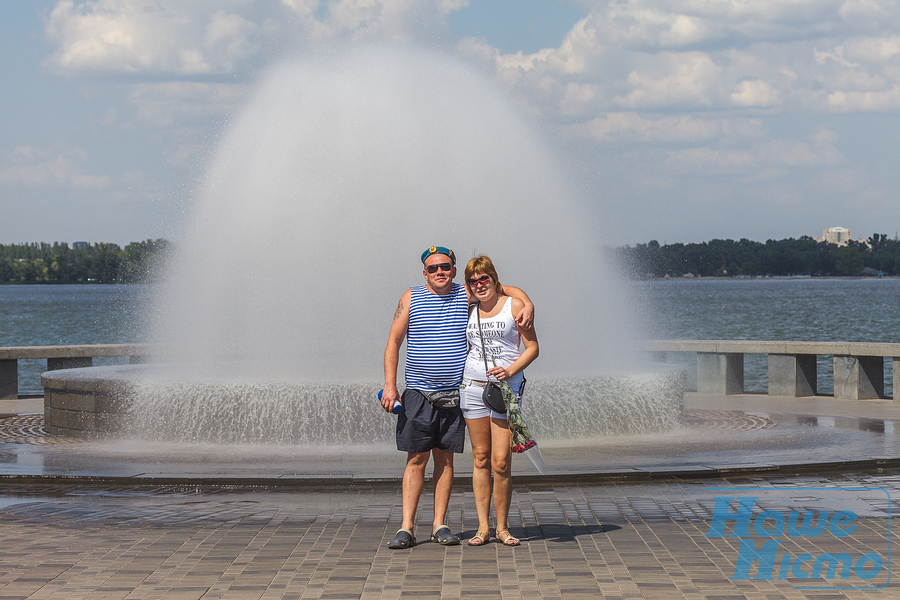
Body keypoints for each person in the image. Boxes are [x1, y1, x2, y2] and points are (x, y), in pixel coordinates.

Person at [381, 246, 533, 549]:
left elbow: (503, 287)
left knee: (445, 459)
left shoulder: (466, 293)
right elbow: (394, 342)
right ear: (425, 272)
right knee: (416, 459)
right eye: (434, 268)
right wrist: (390, 386)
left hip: (454, 392)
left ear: (453, 269)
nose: (441, 272)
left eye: (446, 267)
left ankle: (439, 524)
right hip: (418, 392)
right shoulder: (410, 297)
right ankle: (406, 527)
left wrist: (528, 303)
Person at [460, 255, 539, 547]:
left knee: (501, 461)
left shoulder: (514, 306)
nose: (479, 285)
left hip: (505, 391)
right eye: (473, 281)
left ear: (494, 278)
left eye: (484, 278)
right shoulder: (468, 307)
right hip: (472, 387)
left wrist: (510, 371)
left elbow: (533, 348)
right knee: (480, 458)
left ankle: (503, 527)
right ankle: (483, 528)